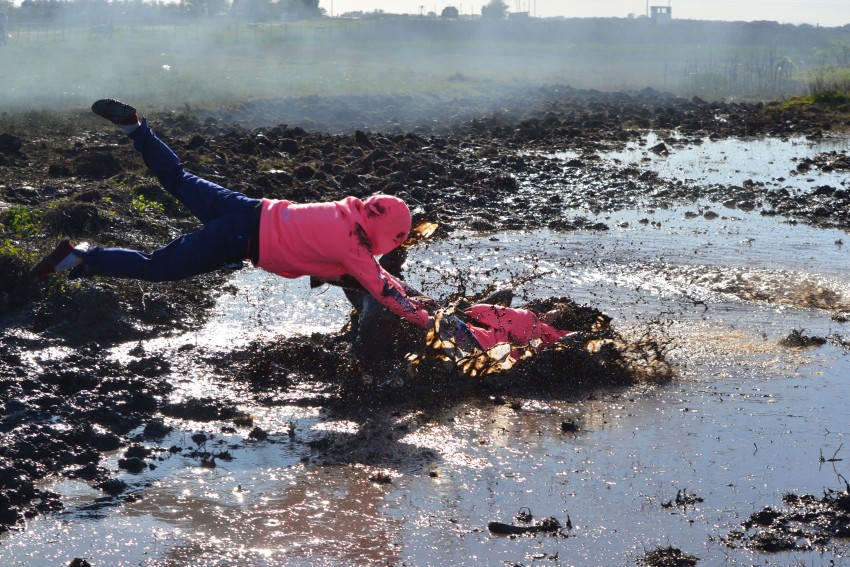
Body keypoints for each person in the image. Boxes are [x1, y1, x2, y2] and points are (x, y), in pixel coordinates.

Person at [32, 99, 432, 329]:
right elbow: (383, 289)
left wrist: (414, 299)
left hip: (245, 207)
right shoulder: (353, 248)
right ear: (386, 234)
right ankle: (80, 257)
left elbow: (375, 279)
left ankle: (137, 129)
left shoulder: (345, 213)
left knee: (178, 177)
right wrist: (431, 323)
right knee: (158, 267)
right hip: (236, 239)